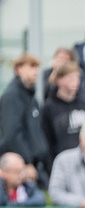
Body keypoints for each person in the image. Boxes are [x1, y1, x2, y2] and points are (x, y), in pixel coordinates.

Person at [0, 53, 50, 184]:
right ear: (18, 69)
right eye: (31, 67)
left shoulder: (32, 98)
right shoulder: (12, 96)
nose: (36, 71)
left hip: (36, 167)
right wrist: (26, 163)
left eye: (37, 67)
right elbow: (11, 134)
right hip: (21, 170)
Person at [41, 61, 85, 162]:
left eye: (77, 77)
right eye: (71, 78)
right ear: (58, 80)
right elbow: (46, 141)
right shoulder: (49, 107)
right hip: (61, 161)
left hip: (84, 160)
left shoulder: (84, 104)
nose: (76, 82)